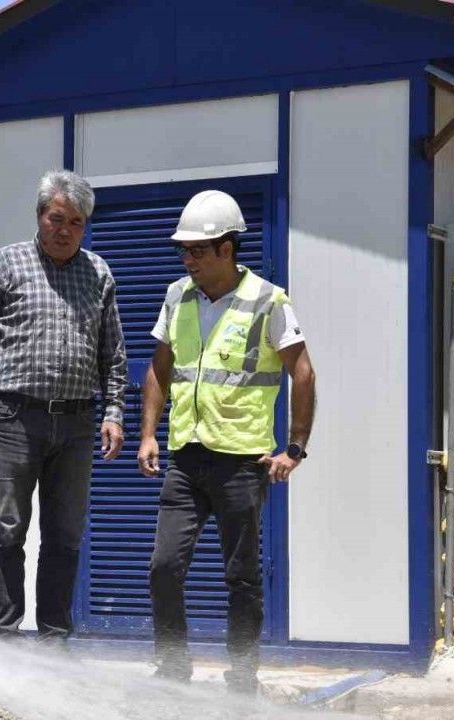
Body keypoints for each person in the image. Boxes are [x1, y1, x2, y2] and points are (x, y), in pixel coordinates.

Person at [137, 190, 316, 693]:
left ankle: (242, 677)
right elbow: (159, 368)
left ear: (226, 248)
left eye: (197, 250)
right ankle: (173, 669)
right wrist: (148, 434)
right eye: (184, 251)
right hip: (186, 457)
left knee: (241, 577)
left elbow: (302, 373)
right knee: (163, 567)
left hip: (242, 461)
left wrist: (294, 448)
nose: (188, 259)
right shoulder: (177, 296)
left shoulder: (268, 300)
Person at [0, 169, 128, 643]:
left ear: (85, 226)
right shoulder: (6, 264)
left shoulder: (99, 273)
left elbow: (113, 354)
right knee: (7, 530)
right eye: (56, 218)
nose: (65, 229)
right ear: (39, 216)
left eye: (75, 222)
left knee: (64, 536)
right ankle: (7, 641)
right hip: (15, 419)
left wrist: (113, 412)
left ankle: (54, 641)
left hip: (76, 423)